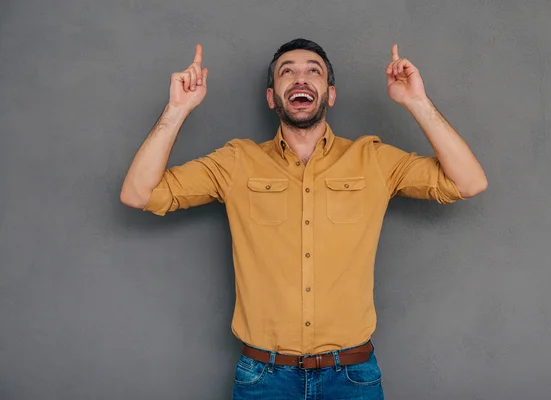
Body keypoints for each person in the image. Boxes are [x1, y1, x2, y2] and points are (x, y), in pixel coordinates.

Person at [120, 38, 487, 399]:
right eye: (287, 72)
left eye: (314, 71)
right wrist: (176, 110)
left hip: (352, 376)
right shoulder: (236, 162)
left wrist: (417, 102)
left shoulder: (373, 159)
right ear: (271, 96)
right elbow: (139, 194)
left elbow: (468, 182)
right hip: (263, 378)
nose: (300, 78)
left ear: (329, 94)